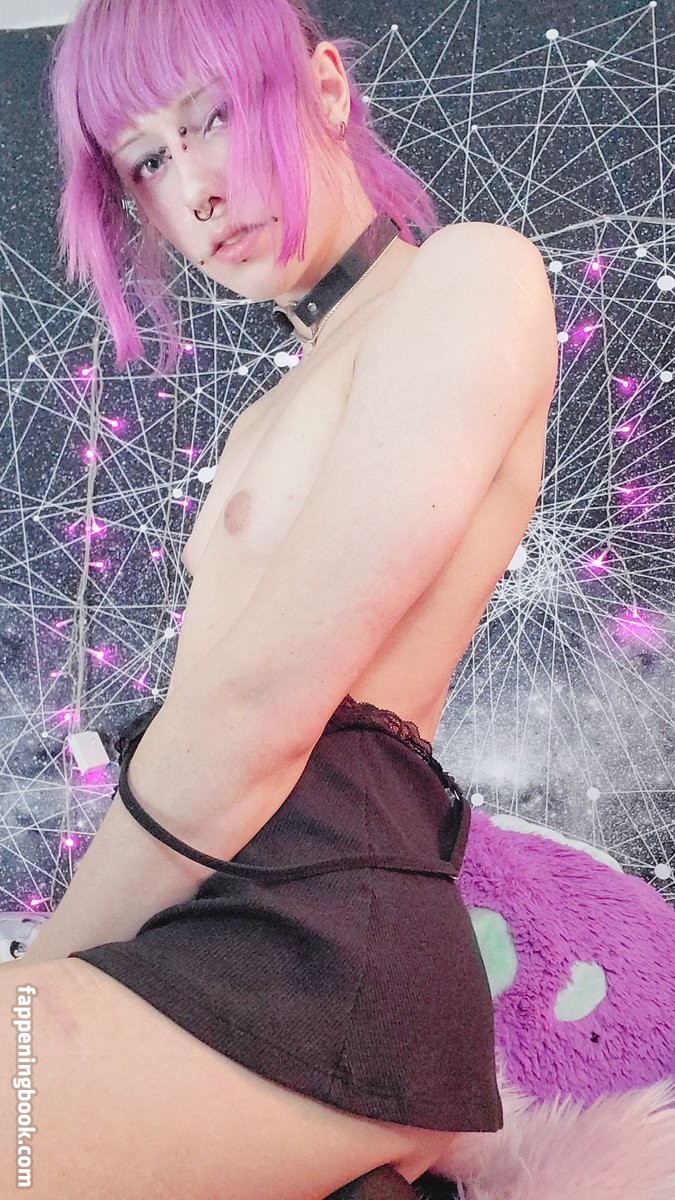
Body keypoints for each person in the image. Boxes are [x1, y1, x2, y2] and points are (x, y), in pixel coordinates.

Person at [0, 1, 559, 1197]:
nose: (196, 189)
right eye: (148, 161)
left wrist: (40, 974)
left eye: (214, 118)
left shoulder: (472, 274)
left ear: (326, 90)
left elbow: (257, 707)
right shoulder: (263, 418)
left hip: (331, 946)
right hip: (216, 929)